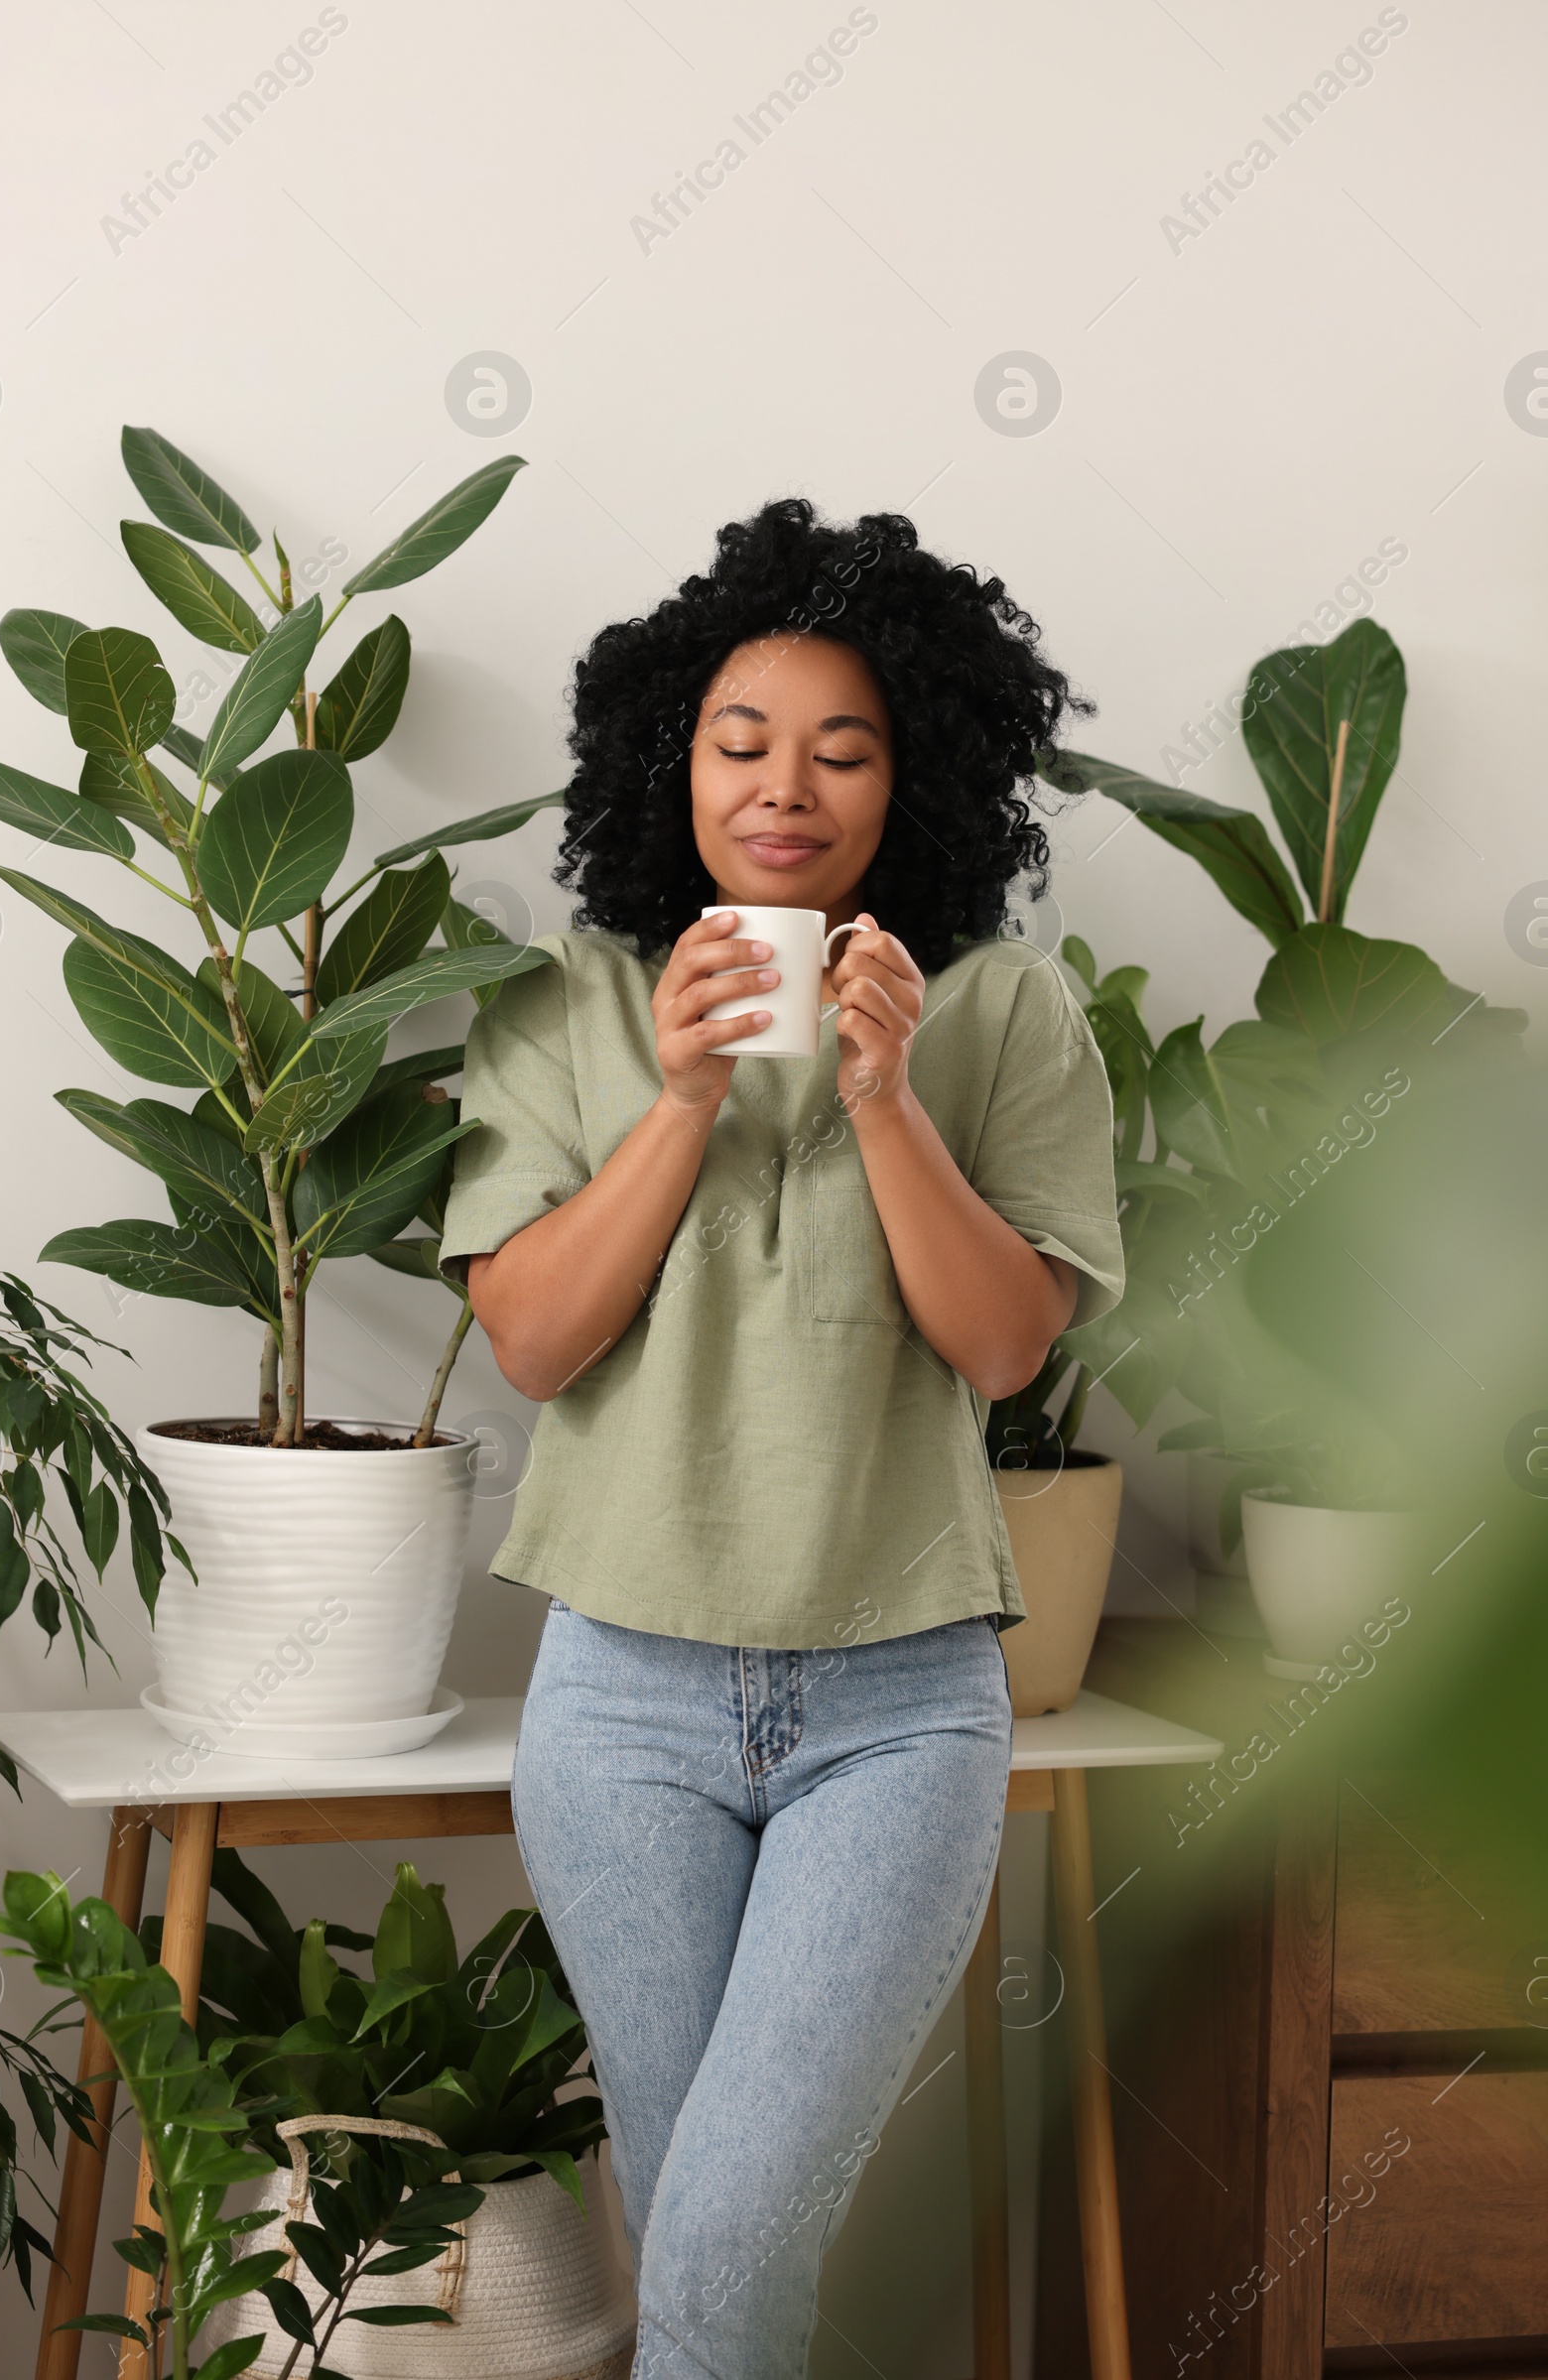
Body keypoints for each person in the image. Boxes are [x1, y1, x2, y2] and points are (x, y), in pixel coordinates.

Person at [440, 497, 1123, 2376]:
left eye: (846, 747)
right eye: (743, 742)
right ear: (674, 758)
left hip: (897, 1708)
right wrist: (678, 1099)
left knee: (729, 2244)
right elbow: (532, 1336)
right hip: (622, 1703)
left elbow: (1001, 1350)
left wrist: (891, 1100)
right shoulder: (567, 1004)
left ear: (923, 775)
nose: (787, 787)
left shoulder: (1003, 1011)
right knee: (709, 2236)